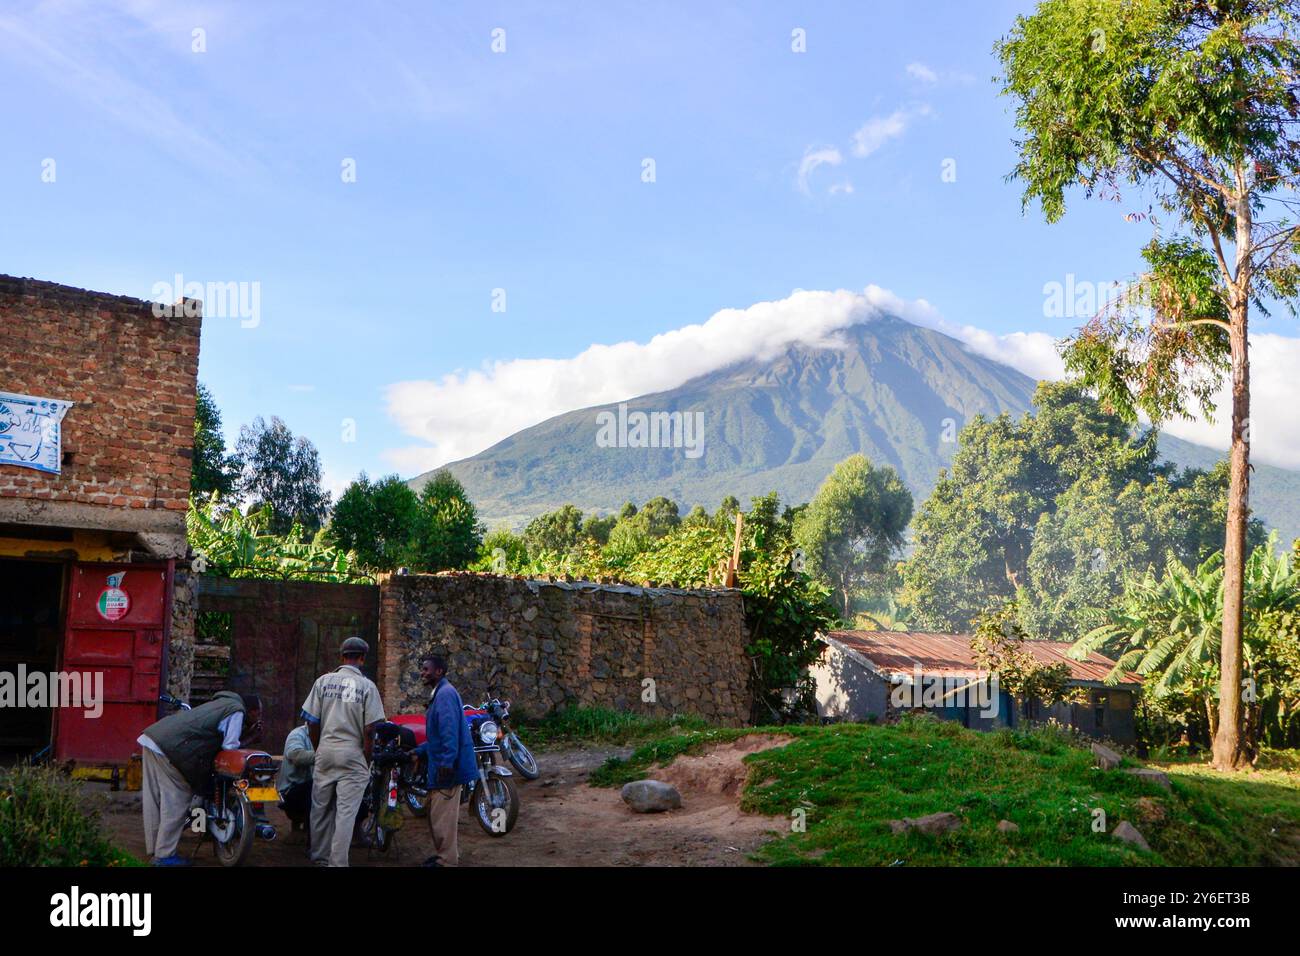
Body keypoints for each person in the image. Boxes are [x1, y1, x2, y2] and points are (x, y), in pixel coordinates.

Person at [136, 691, 262, 866]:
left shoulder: (221, 703)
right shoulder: (236, 711)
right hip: (170, 748)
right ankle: (163, 856)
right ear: (252, 710)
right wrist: (251, 738)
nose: (258, 717)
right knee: (177, 798)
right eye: (258, 713)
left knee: (154, 797)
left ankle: (155, 849)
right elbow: (230, 747)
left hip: (153, 738)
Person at [301, 636, 385, 867]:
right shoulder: (368, 686)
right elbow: (370, 730)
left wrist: (319, 749)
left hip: (326, 750)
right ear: (363, 658)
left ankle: (319, 857)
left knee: (320, 808)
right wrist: (365, 758)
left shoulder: (323, 681)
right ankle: (338, 863)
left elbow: (312, 722)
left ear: (341, 657)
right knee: (346, 813)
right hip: (353, 752)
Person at [413, 654, 477, 867]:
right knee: (437, 816)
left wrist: (447, 763)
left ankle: (447, 861)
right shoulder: (440, 693)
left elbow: (449, 732)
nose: (422, 673)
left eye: (426, 669)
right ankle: (444, 855)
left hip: (448, 767)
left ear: (438, 671)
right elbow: (438, 736)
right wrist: (419, 751)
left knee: (443, 818)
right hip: (441, 763)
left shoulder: (445, 695)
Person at [276, 720, 315, 838]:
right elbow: (296, 756)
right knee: (315, 787)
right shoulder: (297, 735)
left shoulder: (327, 736)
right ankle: (300, 828)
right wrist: (325, 755)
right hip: (292, 791)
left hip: (307, 788)